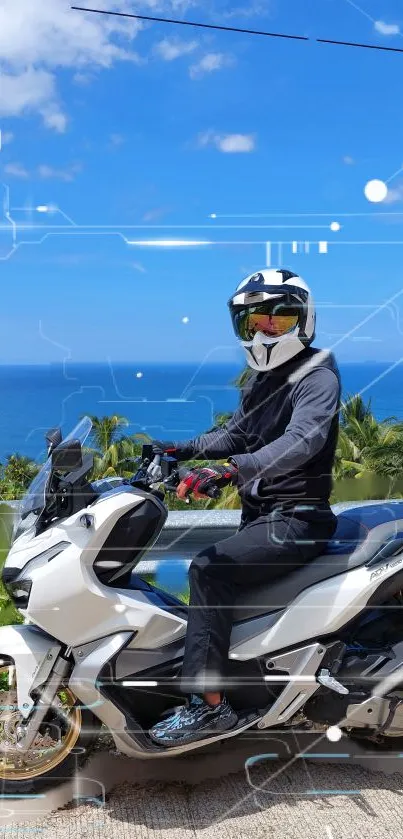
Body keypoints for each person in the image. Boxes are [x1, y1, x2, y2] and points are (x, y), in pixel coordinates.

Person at [149, 268, 341, 747]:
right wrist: (181, 448)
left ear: (305, 319)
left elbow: (303, 440)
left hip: (299, 520)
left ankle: (209, 708)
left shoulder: (316, 375)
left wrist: (232, 470)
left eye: (279, 319)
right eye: (254, 320)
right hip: (263, 518)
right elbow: (237, 433)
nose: (265, 331)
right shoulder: (261, 380)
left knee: (208, 571)